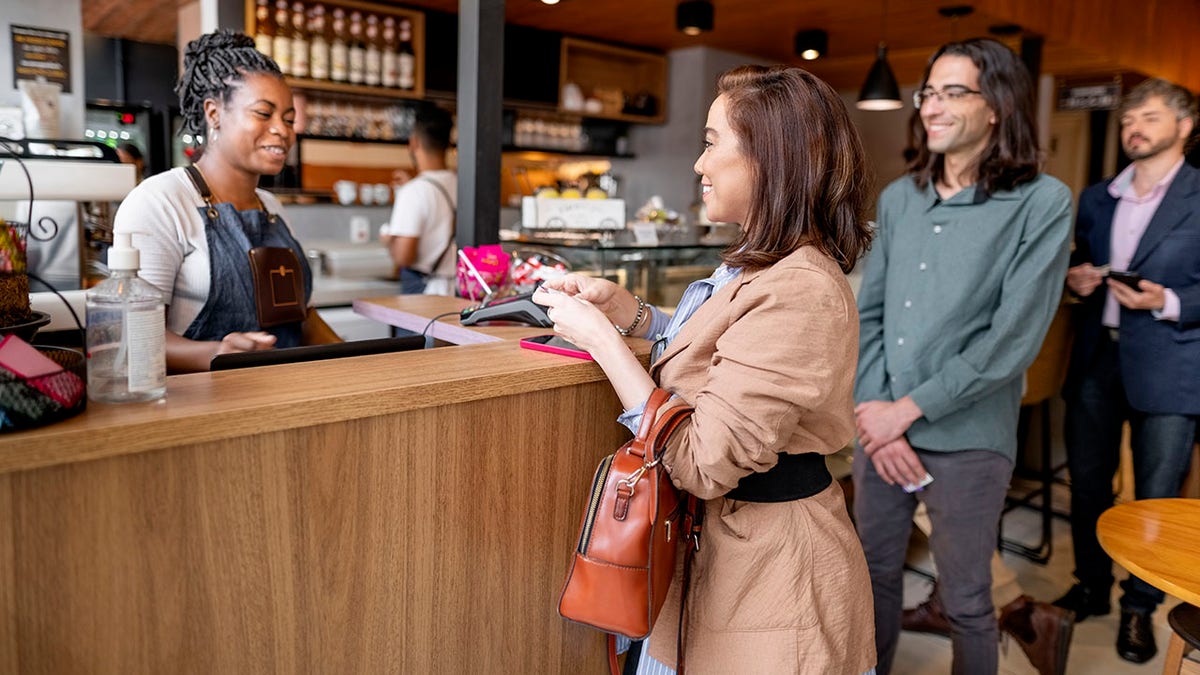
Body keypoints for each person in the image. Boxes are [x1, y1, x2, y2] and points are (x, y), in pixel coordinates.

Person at [535, 65, 876, 675]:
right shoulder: (764, 269)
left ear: (771, 161)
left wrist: (604, 344)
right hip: (722, 552)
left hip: (773, 569)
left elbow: (704, 458)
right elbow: (728, 358)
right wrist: (632, 313)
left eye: (713, 142)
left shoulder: (800, 287)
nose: (698, 163)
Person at [851, 38, 1074, 675]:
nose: (932, 106)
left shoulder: (1041, 202)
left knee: (968, 601)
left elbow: (1012, 339)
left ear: (998, 104)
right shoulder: (900, 199)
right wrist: (873, 410)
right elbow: (872, 316)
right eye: (929, 92)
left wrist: (905, 412)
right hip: (879, 425)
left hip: (970, 436)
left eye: (955, 92)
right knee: (872, 581)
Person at [1054, 78, 1200, 664]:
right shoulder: (1096, 198)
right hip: (1096, 356)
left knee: (1157, 495)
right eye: (1127, 119)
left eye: (1148, 116)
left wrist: (1168, 302)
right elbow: (1082, 262)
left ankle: (1139, 609)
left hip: (1171, 361)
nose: (1133, 126)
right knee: (1088, 482)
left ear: (1185, 126)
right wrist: (1077, 279)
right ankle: (1090, 586)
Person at [113, 30, 338, 373]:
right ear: (214, 113)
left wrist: (362, 357)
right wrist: (217, 353)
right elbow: (136, 335)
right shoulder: (160, 202)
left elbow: (302, 318)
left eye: (289, 119)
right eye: (265, 114)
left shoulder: (272, 209)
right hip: (202, 407)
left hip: (289, 396)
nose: (283, 130)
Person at [379, 104, 456, 295]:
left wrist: (389, 240)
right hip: (457, 290)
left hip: (424, 296)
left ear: (414, 143)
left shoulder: (413, 192)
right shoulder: (463, 184)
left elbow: (404, 257)